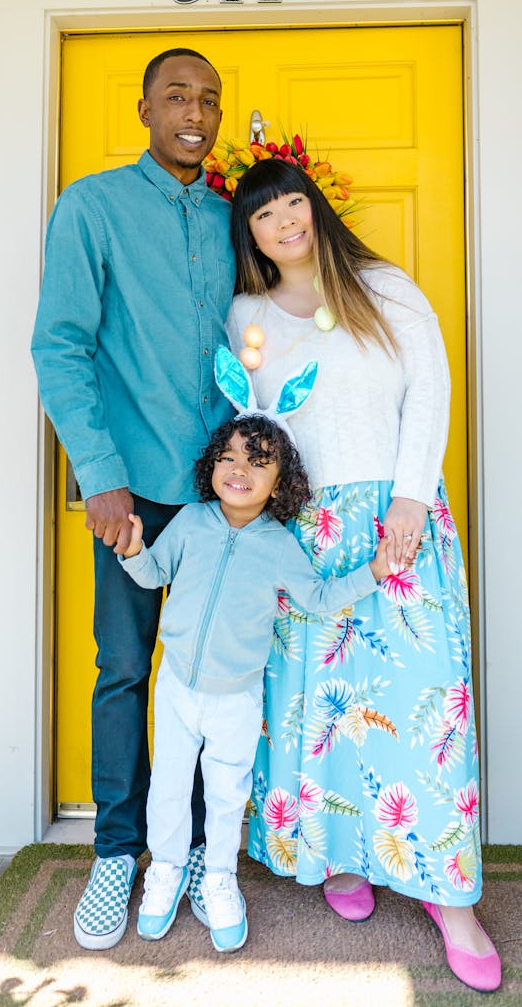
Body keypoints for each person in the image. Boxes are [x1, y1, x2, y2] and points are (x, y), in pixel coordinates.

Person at [226, 158, 502, 993]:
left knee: (424, 703)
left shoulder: (384, 287)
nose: (285, 221)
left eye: (293, 204)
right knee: (320, 703)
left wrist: (412, 497)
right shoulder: (246, 313)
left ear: (315, 208)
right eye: (266, 213)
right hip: (302, 529)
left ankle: (450, 897)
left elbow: (431, 388)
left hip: (396, 517)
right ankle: (340, 852)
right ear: (251, 233)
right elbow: (249, 419)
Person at [31, 48, 235, 951]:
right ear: (145, 107)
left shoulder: (237, 220)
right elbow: (61, 346)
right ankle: (118, 850)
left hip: (220, 499)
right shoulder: (93, 207)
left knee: (208, 679)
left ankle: (189, 850)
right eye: (180, 95)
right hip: (130, 494)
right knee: (124, 670)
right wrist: (99, 476)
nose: (197, 112)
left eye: (211, 101)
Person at [118, 391, 396, 953]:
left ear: (280, 483)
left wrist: (374, 570)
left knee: (225, 795)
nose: (240, 469)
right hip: (175, 688)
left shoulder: (278, 545)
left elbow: (318, 598)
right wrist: (132, 550)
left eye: (259, 461)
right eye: (230, 457)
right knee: (168, 789)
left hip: (236, 699)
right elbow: (153, 576)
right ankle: (167, 870)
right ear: (212, 465)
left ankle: (219, 877)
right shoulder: (192, 523)